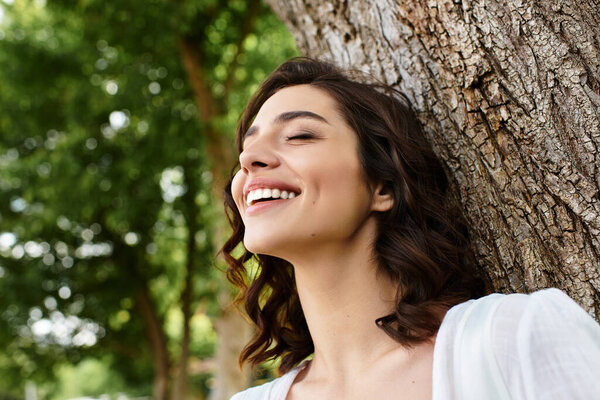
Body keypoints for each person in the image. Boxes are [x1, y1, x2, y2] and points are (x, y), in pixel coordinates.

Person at [221, 57, 600, 399]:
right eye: (247, 148)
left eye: (300, 135)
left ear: (382, 186)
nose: (248, 159)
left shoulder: (512, 339)